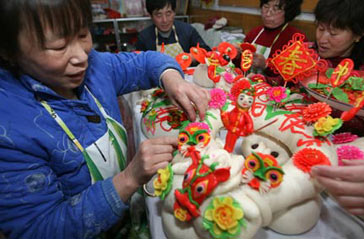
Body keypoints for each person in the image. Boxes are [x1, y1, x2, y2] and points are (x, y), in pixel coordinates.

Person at [0, 0, 209, 238]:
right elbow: (39, 229)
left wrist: (172, 78)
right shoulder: (9, 129)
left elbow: (145, 62)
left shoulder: (96, 66)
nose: (81, 56)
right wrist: (129, 179)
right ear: (9, 50)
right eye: (59, 47)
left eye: (82, 34)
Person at [311, 0, 364, 219]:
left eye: (334, 32)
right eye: (320, 28)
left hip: (350, 161)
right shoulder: (311, 55)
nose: (322, 38)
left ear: (359, 34)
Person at [241, 0, 306, 84]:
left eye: (276, 8)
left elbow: (292, 80)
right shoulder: (254, 33)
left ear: (288, 12)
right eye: (266, 7)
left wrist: (266, 65)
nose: (268, 14)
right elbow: (241, 68)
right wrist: (237, 55)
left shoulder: (296, 38)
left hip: (275, 93)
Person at [135, 0, 211, 58]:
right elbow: (137, 64)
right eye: (159, 15)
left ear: (174, 12)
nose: (164, 20)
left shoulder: (188, 31)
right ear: (150, 16)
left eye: (168, 14)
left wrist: (192, 57)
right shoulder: (144, 37)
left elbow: (208, 53)